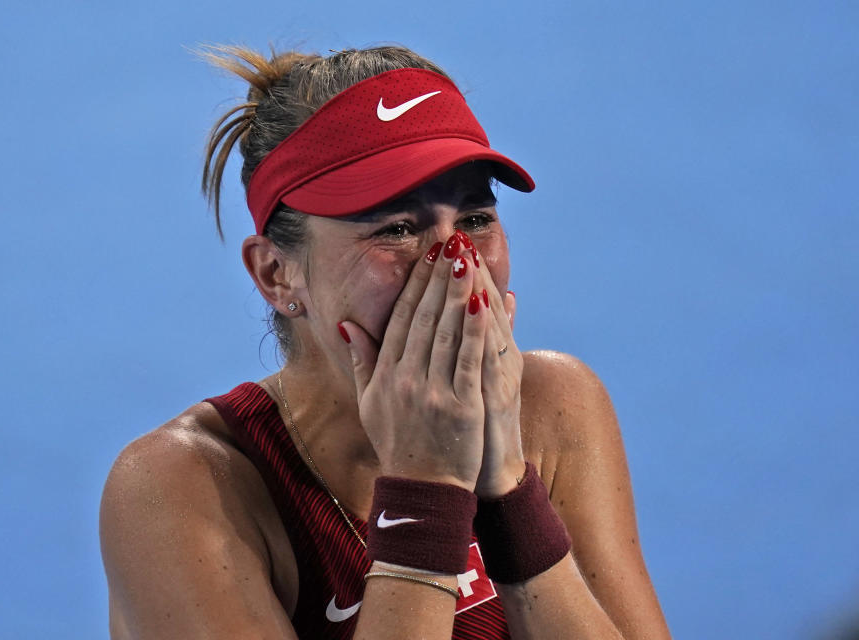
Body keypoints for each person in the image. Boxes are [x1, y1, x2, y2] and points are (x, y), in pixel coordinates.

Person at [99, 45, 671, 639]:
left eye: (475, 218)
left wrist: (507, 490)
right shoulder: (181, 489)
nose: (456, 264)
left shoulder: (554, 408)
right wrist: (426, 491)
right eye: (396, 228)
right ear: (277, 274)